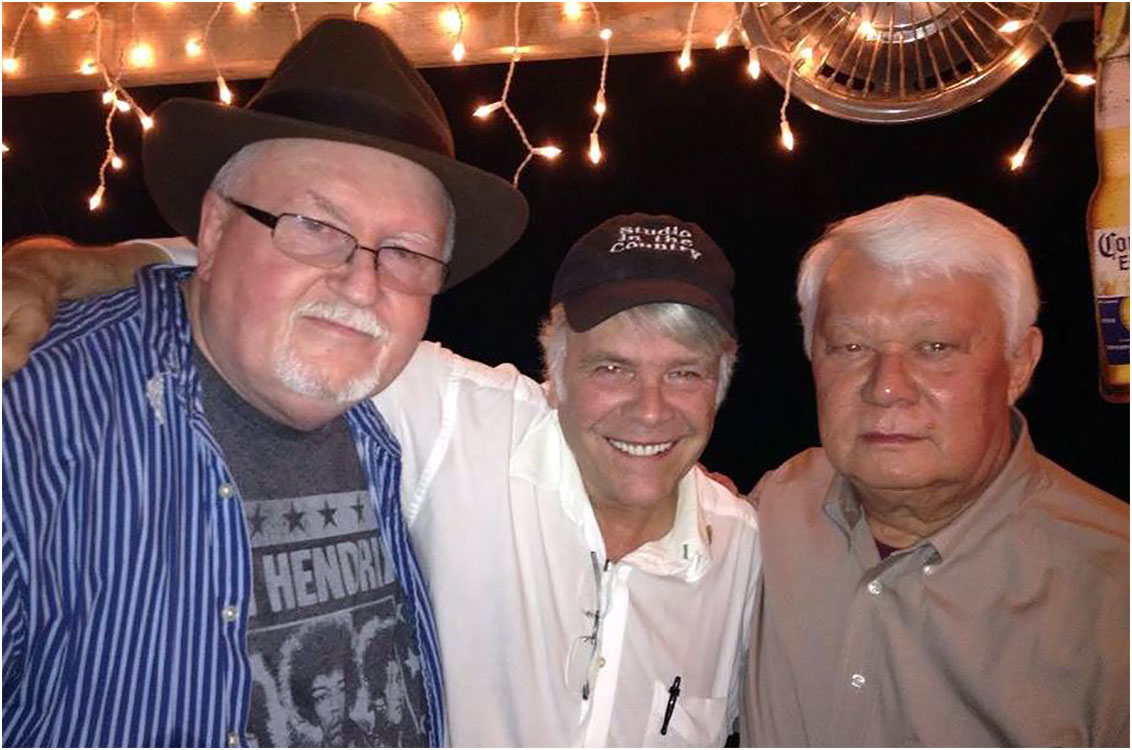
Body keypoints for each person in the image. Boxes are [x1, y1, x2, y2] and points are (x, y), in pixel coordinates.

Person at [4, 211, 760, 746]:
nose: (649, 410)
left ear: (721, 386)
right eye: (612, 369)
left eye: (685, 373)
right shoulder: (463, 423)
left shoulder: (739, 543)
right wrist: (76, 266)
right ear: (555, 372)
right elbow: (285, 290)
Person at [2, 17, 527, 747]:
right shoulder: (32, 411)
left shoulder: (391, 418)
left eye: (406, 252)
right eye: (315, 225)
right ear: (214, 230)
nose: (362, 283)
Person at [742, 195, 1130, 747]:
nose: (886, 387)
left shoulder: (1112, 593)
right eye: (850, 346)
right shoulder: (770, 509)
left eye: (935, 347)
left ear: (1020, 363)